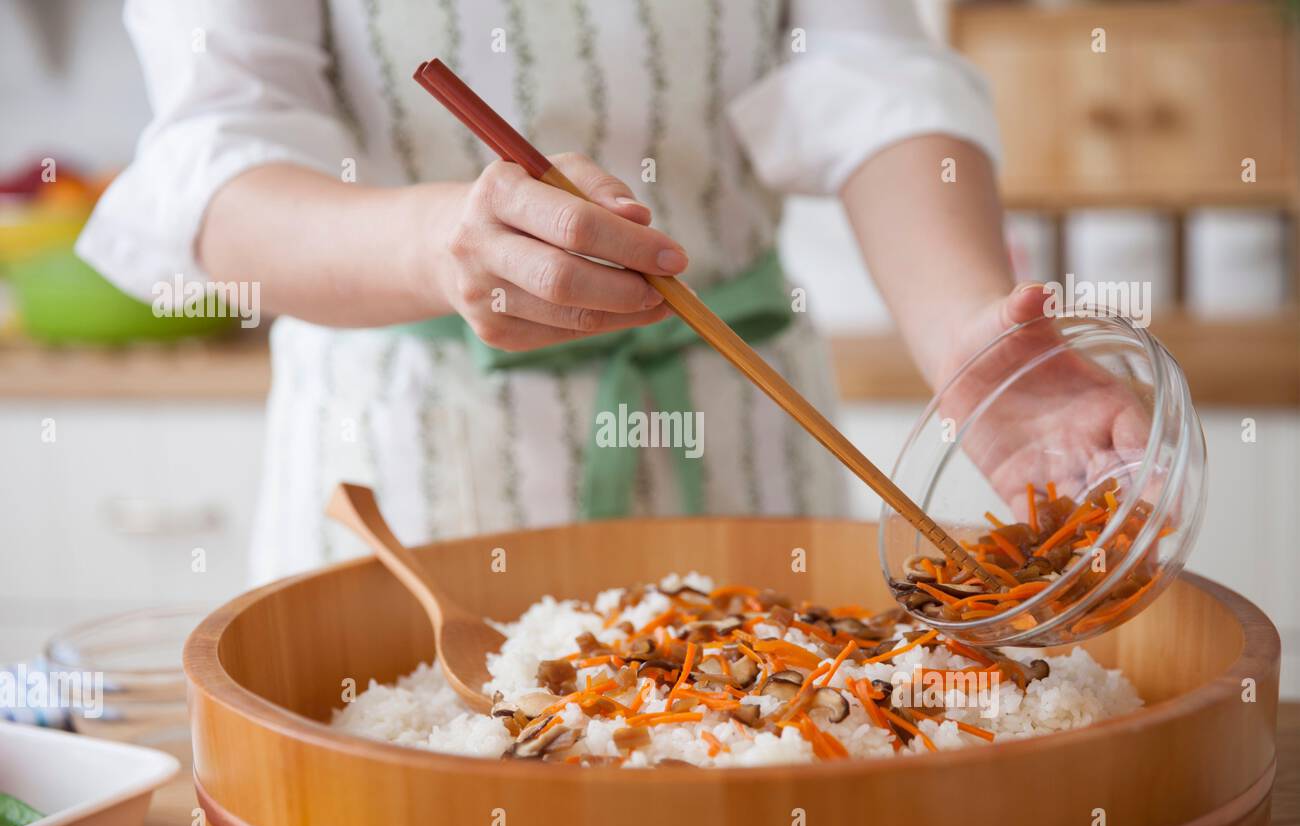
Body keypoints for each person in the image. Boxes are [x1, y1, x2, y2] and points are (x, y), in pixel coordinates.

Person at [79, 0, 1082, 585]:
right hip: (414, 464)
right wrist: (439, 242)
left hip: (746, 442)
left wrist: (967, 341)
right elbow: (215, 165)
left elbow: (873, 73)